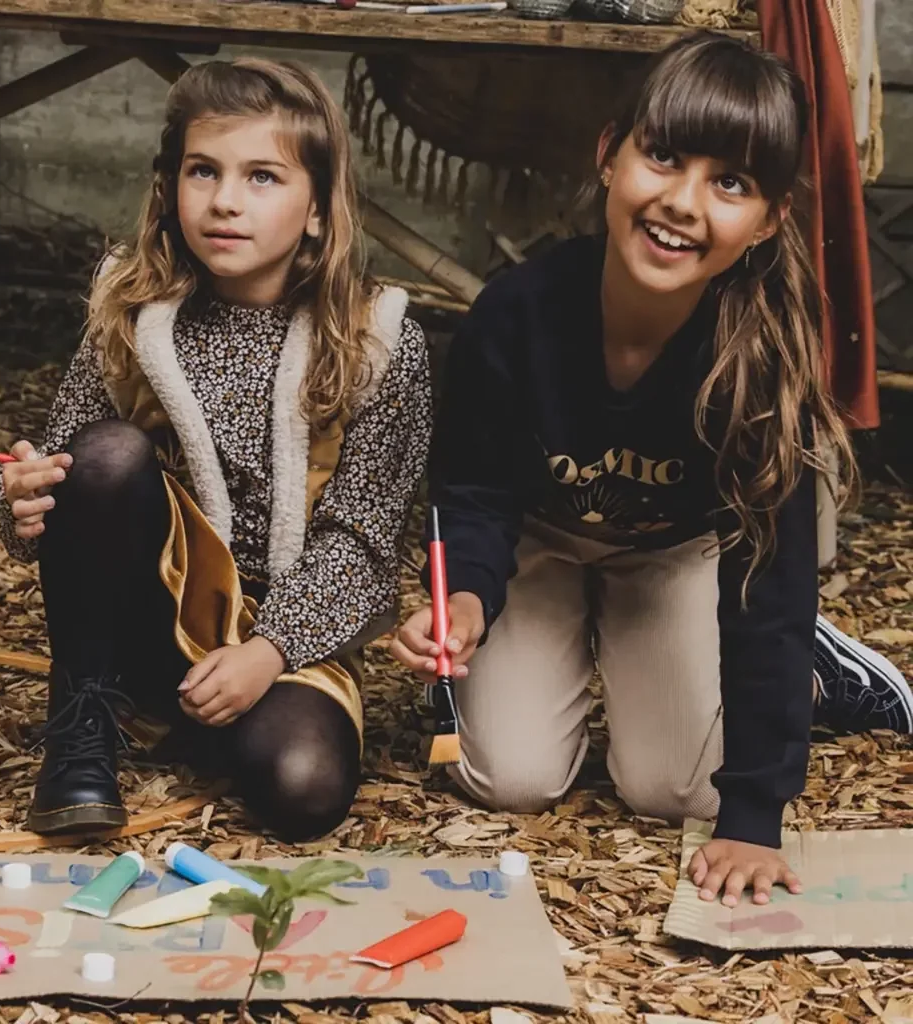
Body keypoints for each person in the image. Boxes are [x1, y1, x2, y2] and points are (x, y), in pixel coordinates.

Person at [391, 32, 912, 906]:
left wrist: (754, 814)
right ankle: (578, 646)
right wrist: (471, 595)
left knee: (679, 791)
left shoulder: (759, 363)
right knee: (507, 780)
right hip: (545, 544)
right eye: (663, 155)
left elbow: (768, 584)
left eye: (732, 183)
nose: (681, 202)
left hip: (678, 551)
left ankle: (823, 673)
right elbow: (473, 493)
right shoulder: (512, 316)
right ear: (609, 154)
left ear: (771, 220)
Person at [0, 58, 432, 842]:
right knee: (106, 455)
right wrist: (19, 497)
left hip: (290, 630)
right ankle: (82, 728)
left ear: (319, 210)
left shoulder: (378, 340)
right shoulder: (131, 310)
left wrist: (269, 652)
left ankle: (206, 719)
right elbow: (72, 473)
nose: (225, 201)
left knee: (305, 790)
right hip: (157, 609)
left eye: (263, 177)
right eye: (204, 171)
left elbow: (363, 543)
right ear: (169, 190)